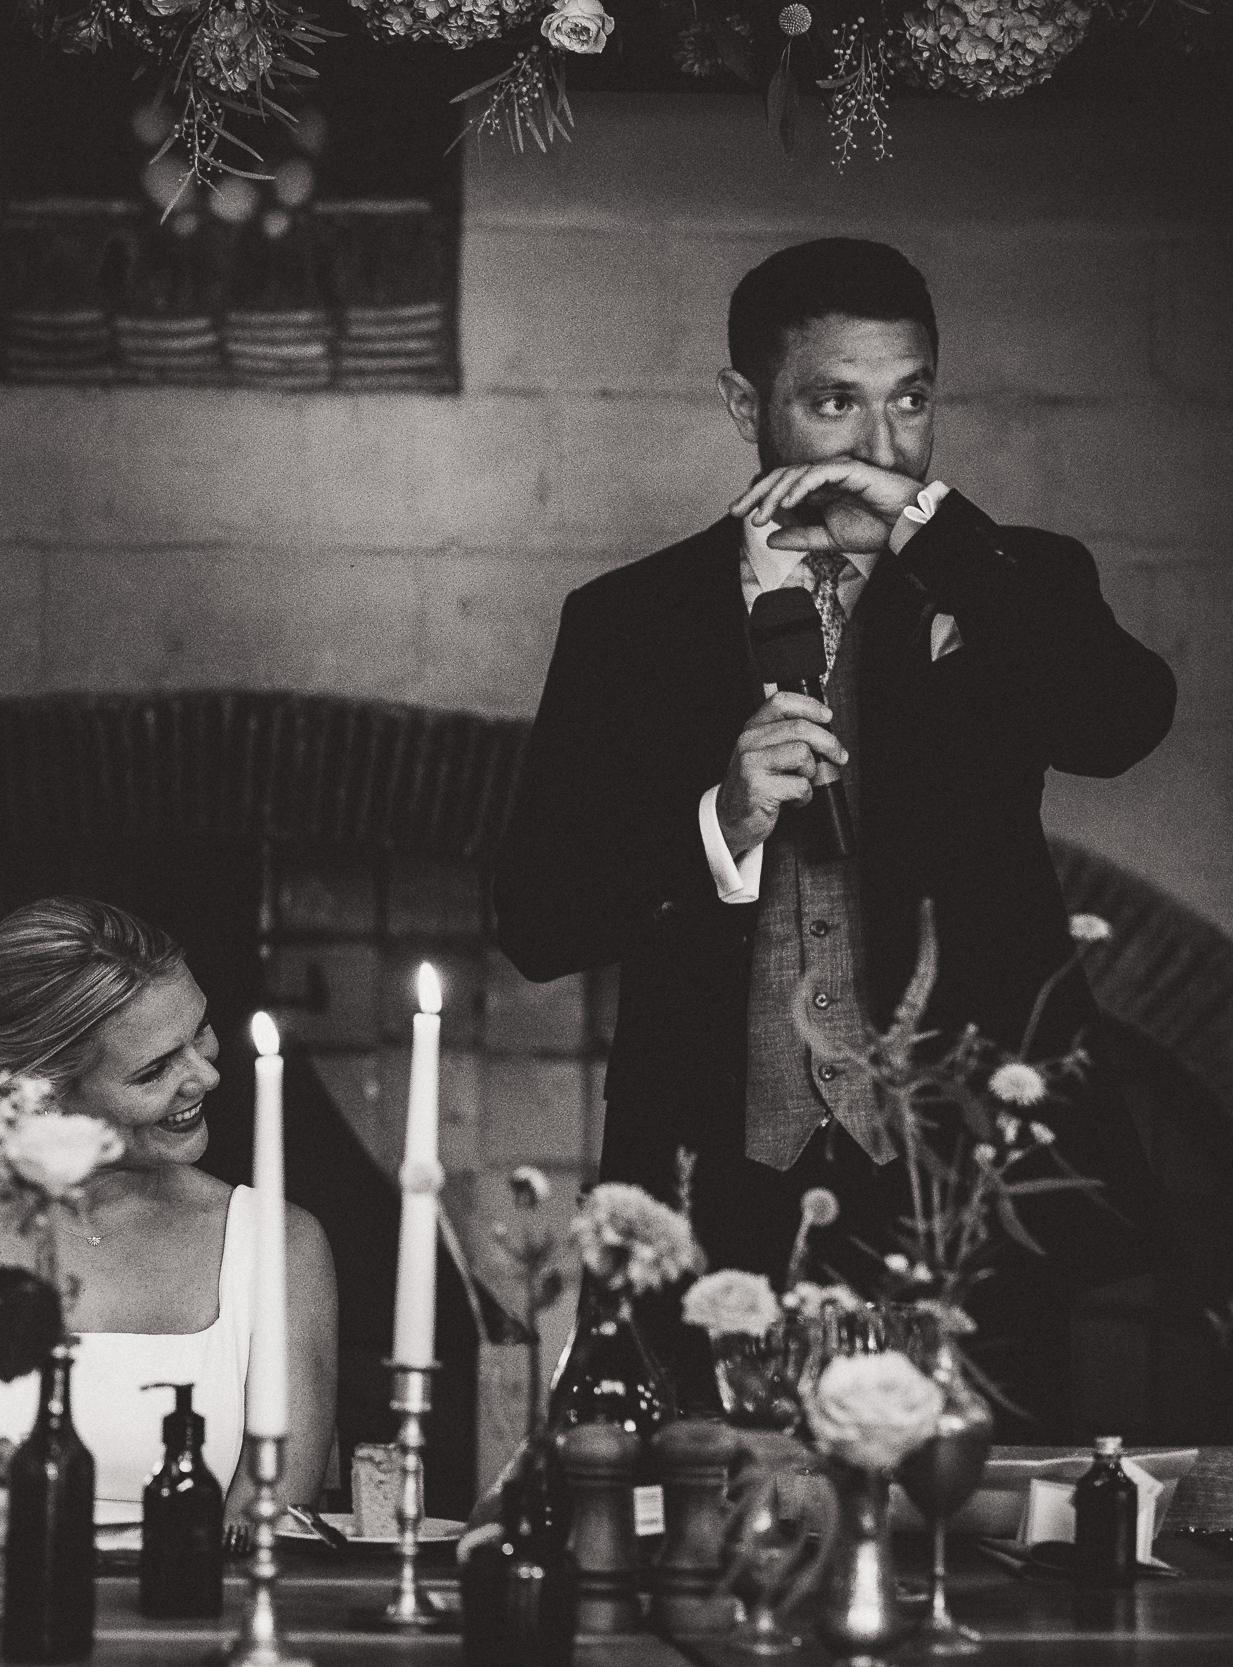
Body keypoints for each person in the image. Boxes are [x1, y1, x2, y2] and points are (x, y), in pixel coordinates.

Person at [493, 237, 1177, 1437]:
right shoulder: (626, 621)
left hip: (965, 1194)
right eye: (832, 403)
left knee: (980, 1561)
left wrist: (943, 540)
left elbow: (1121, 720)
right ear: (742, 405)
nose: (878, 446)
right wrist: (720, 821)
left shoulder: (1013, 577)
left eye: (909, 398)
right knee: (703, 1550)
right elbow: (538, 919)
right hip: (716, 1195)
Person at [0, 897, 338, 1514]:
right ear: (45, 1093)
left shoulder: (281, 1247)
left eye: (199, 1031)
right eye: (153, 1071)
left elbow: (272, 1523)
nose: (206, 1076)